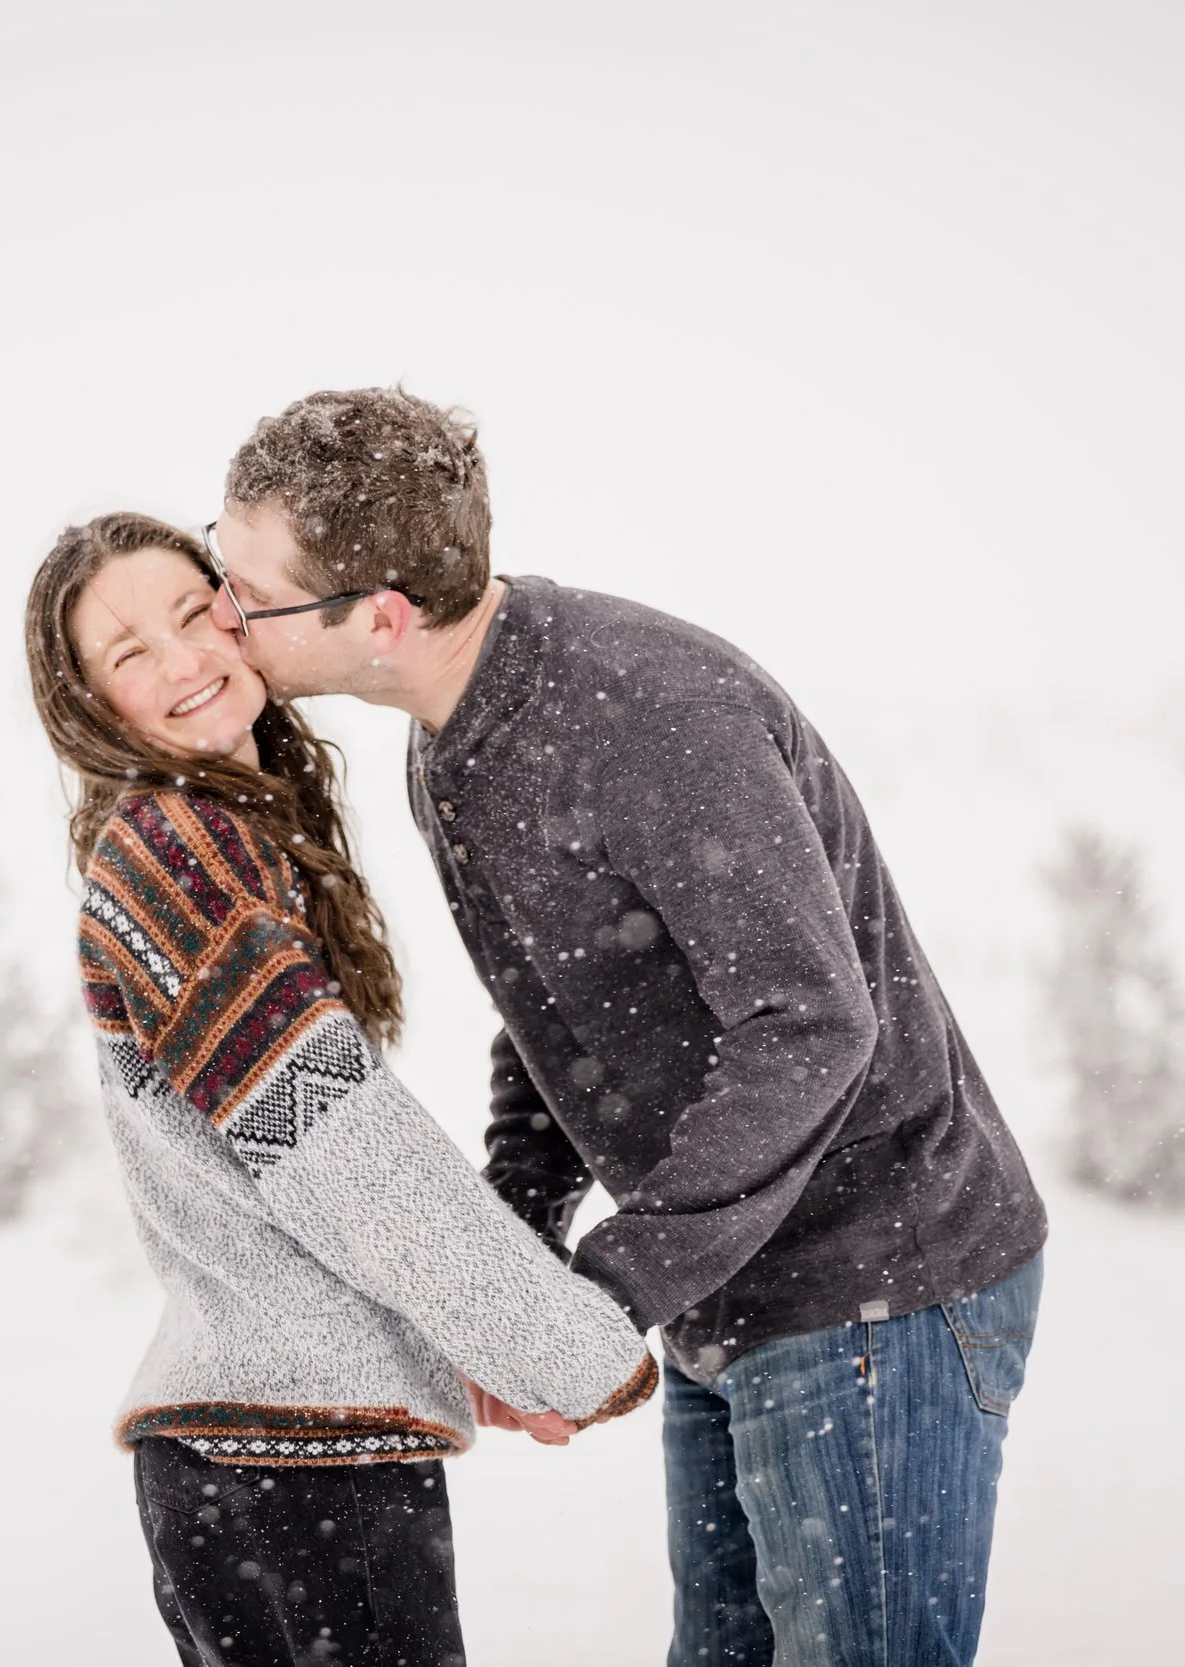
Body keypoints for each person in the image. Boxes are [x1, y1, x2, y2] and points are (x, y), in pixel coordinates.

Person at [202, 390, 1050, 1667]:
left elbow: (809, 1022)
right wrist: (520, 1250)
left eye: (248, 593)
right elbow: (559, 1012)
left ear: (380, 615)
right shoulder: (453, 736)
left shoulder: (646, 716)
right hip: (732, 1288)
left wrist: (612, 1288)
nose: (221, 614)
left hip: (874, 1291)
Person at [23, 511, 657, 1667]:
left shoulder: (216, 835)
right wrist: (561, 1346)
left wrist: (466, 1334)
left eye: (194, 610)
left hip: (263, 1455)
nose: (184, 658)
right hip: (293, 1464)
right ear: (89, 705)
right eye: (129, 653)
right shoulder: (175, 852)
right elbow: (335, 1145)